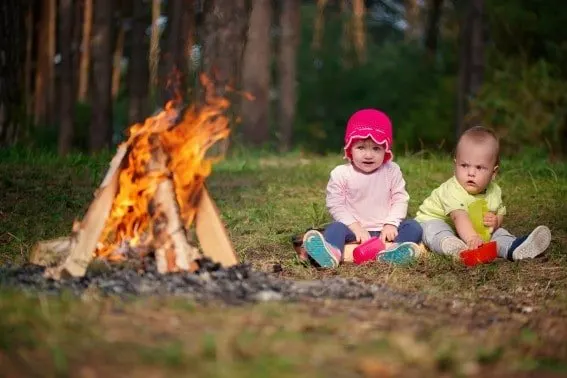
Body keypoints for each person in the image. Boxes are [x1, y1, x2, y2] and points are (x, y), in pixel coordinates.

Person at [302, 108, 423, 268]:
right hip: (353, 230)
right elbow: (336, 204)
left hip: (385, 231)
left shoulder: (391, 170)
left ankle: (394, 251)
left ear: (386, 151)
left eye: (376, 148)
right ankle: (332, 253)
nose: (368, 155)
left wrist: (391, 224)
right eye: (361, 148)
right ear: (350, 149)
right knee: (335, 228)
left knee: (413, 227)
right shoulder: (341, 173)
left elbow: (400, 198)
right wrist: (355, 227)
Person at [415, 126, 551, 262]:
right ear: (455, 165)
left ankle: (514, 247)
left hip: (473, 229)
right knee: (436, 230)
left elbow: (500, 212)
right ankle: (452, 247)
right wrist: (472, 238)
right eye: (464, 165)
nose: (471, 173)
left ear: (493, 173)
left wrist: (496, 221)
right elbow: (459, 217)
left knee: (497, 233)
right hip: (435, 221)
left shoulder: (494, 191)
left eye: (479, 167)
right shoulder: (452, 189)